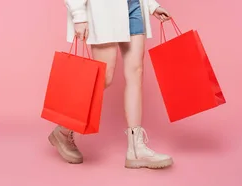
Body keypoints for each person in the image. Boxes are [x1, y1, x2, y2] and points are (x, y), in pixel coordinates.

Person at [48, 0, 173, 169]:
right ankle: (63, 130)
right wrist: (79, 16)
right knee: (104, 78)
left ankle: (137, 149)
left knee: (136, 72)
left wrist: (151, 5)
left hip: (134, 6)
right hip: (103, 9)